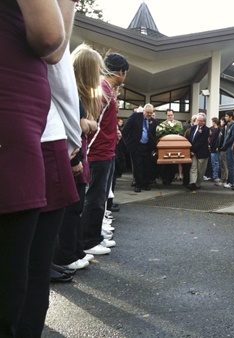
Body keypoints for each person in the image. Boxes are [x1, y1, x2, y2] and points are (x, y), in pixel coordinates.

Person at [0, 1, 77, 336]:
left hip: (33, 129)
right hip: (33, 130)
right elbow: (52, 46)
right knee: (27, 272)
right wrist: (75, 135)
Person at [53, 43, 104, 272]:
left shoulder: (78, 93)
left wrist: (89, 124)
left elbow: (89, 123)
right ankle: (65, 254)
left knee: (76, 207)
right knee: (70, 209)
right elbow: (77, 126)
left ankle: (74, 250)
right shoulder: (71, 93)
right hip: (72, 155)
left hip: (77, 155)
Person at [81, 52, 129, 255]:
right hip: (98, 153)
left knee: (99, 197)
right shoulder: (103, 89)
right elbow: (92, 121)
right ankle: (89, 240)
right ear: (121, 72)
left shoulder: (108, 88)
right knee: (94, 197)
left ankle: (94, 236)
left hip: (106, 152)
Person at [122, 103, 159, 192]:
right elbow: (126, 129)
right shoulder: (135, 117)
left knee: (147, 166)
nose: (149, 114)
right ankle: (138, 185)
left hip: (147, 147)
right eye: (148, 112)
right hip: (136, 146)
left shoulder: (153, 121)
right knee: (138, 166)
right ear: (144, 111)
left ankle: (145, 184)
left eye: (151, 113)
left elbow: (155, 134)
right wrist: (127, 143)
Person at [187, 113, 210, 190]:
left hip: (202, 153)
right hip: (193, 152)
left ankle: (198, 183)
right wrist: (190, 149)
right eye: (198, 120)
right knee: (193, 168)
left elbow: (202, 141)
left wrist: (193, 149)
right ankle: (192, 182)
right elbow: (190, 138)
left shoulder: (206, 129)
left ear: (204, 121)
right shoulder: (193, 128)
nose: (199, 122)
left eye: (201, 121)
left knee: (200, 170)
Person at [221, 111, 234, 188]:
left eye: (227, 116)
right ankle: (230, 181)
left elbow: (232, 138)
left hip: (230, 148)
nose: (225, 117)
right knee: (228, 165)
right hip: (227, 147)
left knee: (231, 165)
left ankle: (232, 182)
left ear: (231, 117)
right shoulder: (228, 125)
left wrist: (226, 145)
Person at [209, 117, 221, 182]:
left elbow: (216, 140)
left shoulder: (217, 130)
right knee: (214, 162)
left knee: (215, 162)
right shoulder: (216, 130)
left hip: (214, 148)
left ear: (214, 122)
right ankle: (214, 175)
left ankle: (215, 176)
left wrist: (216, 146)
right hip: (213, 147)